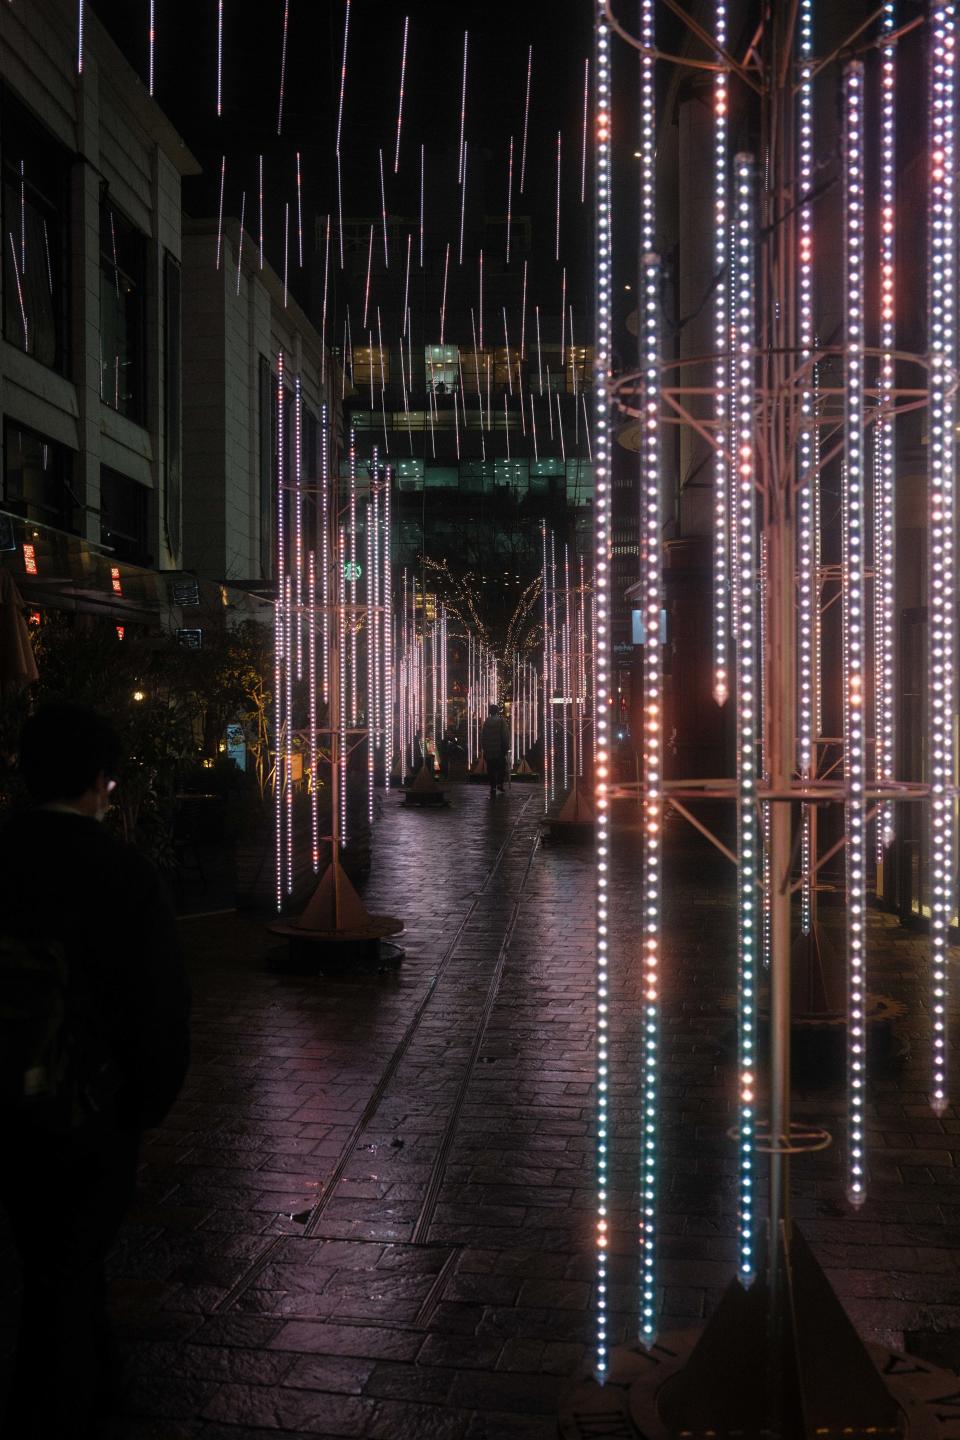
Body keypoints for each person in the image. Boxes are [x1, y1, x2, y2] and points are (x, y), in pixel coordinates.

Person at [0, 702, 190, 1439]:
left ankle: (100, 1382)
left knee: (49, 1251)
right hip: (89, 1105)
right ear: (102, 781)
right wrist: (145, 1097)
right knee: (69, 1259)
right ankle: (53, 1407)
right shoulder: (118, 870)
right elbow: (157, 1001)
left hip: (8, 1097)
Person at [480, 703, 511, 799]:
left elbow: (483, 737)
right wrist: (506, 748)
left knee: (491, 768)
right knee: (501, 768)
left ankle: (493, 786)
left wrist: (484, 748)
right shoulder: (501, 721)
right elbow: (505, 736)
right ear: (497, 711)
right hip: (499, 750)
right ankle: (500, 785)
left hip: (489, 750)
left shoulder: (486, 722)